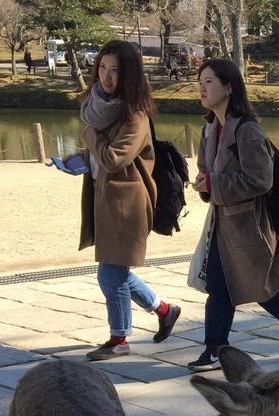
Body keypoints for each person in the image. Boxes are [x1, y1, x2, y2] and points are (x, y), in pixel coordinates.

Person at [185, 58, 279, 371]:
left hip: (250, 225)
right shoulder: (210, 129)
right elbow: (208, 172)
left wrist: (214, 183)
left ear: (229, 87)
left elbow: (260, 179)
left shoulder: (247, 130)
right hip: (222, 224)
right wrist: (205, 183)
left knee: (262, 286)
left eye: (209, 82)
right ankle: (215, 349)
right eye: (200, 82)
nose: (202, 88)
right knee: (219, 287)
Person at [72, 40, 180, 361]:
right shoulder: (99, 107)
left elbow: (114, 159)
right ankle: (164, 310)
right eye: (102, 67)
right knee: (117, 271)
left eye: (115, 70)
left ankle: (119, 338)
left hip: (128, 205)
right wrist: (79, 158)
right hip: (106, 201)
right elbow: (99, 155)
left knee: (110, 274)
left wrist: (88, 136)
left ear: (129, 74)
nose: (106, 76)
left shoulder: (136, 117)